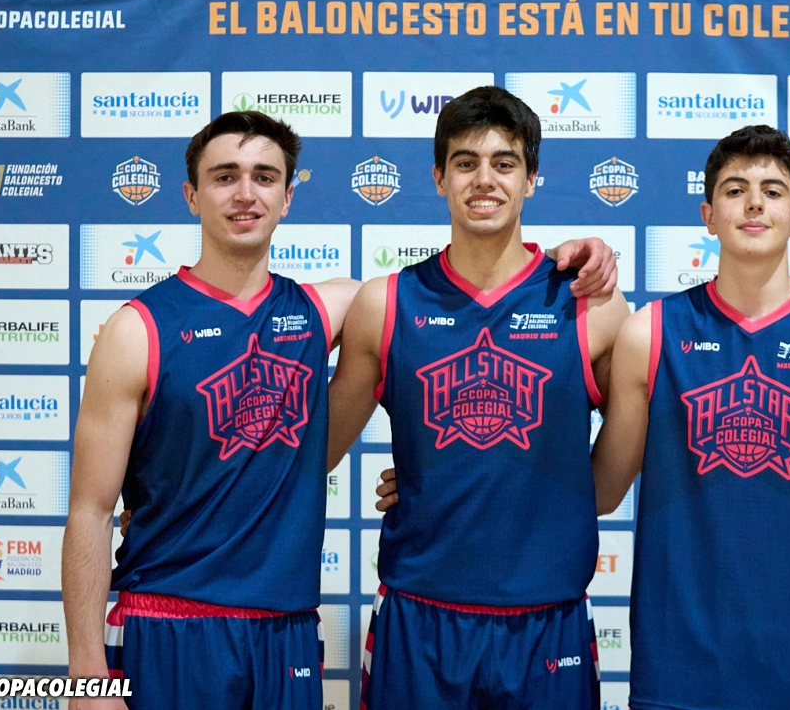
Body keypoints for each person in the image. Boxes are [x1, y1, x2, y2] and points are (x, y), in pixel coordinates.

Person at [62, 109, 616, 710]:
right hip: (168, 617)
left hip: (288, 631)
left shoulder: (332, 309)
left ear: (287, 197)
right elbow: (90, 510)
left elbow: (481, 281)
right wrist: (86, 678)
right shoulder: (137, 330)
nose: (245, 193)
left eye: (264, 177)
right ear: (192, 195)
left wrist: (570, 254)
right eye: (224, 177)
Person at [589, 125, 790, 710]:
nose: (754, 203)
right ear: (708, 216)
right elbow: (601, 490)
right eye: (735, 190)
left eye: (772, 191)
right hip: (682, 660)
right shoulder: (652, 334)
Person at [328, 86, 629, 710]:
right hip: (419, 618)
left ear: (532, 179)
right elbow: (309, 456)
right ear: (439, 178)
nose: (484, 179)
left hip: (547, 621)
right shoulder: (385, 304)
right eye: (465, 162)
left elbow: (603, 489)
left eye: (504, 162)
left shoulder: (590, 305)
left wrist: (503, 477)